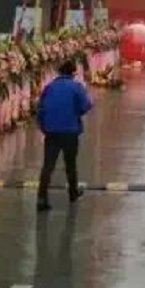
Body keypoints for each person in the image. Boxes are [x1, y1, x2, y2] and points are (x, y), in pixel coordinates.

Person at [36, 59, 93, 212]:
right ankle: (72, 193)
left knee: (48, 166)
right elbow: (86, 105)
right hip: (70, 131)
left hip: (51, 132)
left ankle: (41, 198)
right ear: (73, 73)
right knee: (70, 164)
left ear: (59, 72)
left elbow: (40, 108)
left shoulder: (49, 87)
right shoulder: (76, 87)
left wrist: (43, 127)